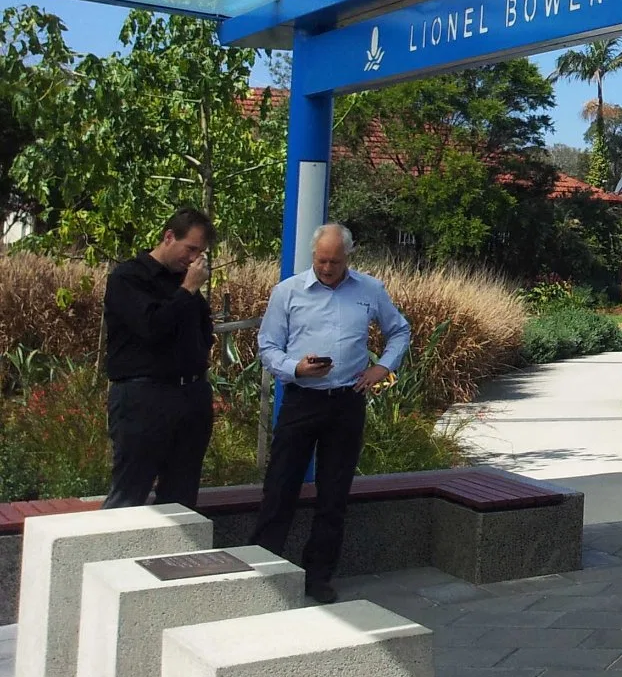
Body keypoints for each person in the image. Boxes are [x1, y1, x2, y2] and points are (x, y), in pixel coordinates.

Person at [253, 223, 410, 603]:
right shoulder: (288, 292)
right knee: (280, 486)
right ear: (313, 257)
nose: (326, 267)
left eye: (334, 261)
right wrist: (295, 368)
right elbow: (268, 346)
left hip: (346, 401)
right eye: (321, 260)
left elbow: (400, 331)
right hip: (302, 399)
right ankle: (262, 569)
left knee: (334, 493)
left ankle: (318, 576)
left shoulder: (369, 290)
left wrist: (382, 368)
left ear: (348, 258)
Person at [101, 208, 217, 509]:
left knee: (182, 494)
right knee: (130, 490)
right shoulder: (129, 278)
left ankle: (174, 555)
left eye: (200, 252)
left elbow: (203, 331)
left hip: (190, 395)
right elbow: (151, 327)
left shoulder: (184, 283)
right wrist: (189, 288)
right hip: (143, 395)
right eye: (190, 248)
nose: (193, 259)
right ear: (168, 237)